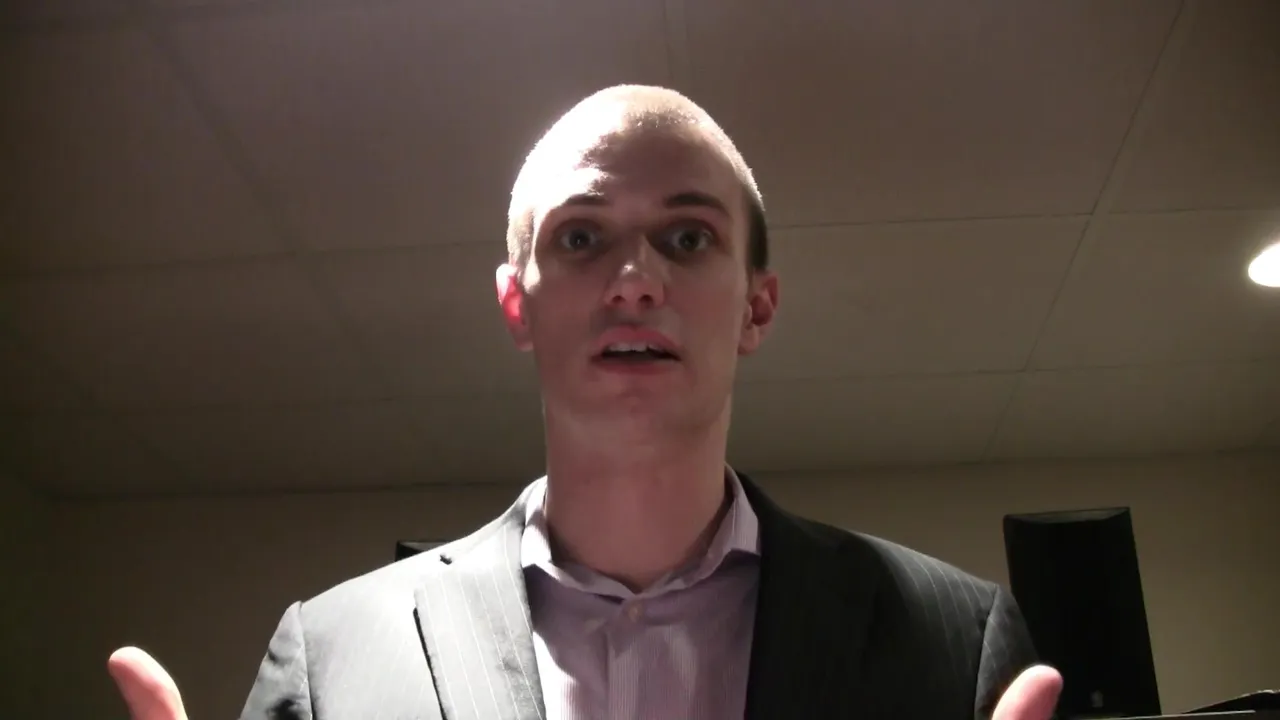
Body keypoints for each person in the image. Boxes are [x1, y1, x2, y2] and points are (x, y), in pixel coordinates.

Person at [108, 85, 1064, 720]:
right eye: (579, 238)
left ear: (757, 306)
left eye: (688, 239)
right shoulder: (331, 655)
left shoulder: (959, 642)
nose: (635, 280)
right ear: (516, 304)